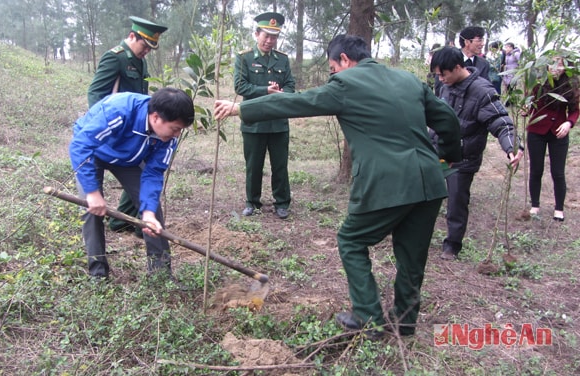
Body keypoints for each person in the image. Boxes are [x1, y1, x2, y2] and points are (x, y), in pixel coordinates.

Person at [215, 34, 462, 337]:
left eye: (333, 68)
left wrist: (240, 108)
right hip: (429, 183)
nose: (333, 75)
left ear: (344, 60)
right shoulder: (408, 79)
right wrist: (447, 156)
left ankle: (369, 318)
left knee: (351, 240)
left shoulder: (346, 84)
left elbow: (295, 102)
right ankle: (405, 321)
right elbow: (448, 119)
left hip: (386, 182)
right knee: (412, 255)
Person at [70, 88, 195, 279]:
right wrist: (93, 192)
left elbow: (153, 172)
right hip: (93, 153)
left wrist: (148, 213)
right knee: (91, 211)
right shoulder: (119, 111)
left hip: (128, 160)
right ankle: (98, 274)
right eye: (175, 128)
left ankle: (160, 274)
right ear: (155, 118)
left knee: (153, 215)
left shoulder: (167, 138)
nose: (177, 135)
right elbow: (80, 145)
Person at [430, 46, 524, 260]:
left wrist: (511, 146)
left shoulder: (482, 91)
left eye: (443, 74)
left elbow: (500, 121)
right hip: (440, 153)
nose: (441, 79)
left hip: (462, 159)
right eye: (437, 75)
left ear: (457, 67)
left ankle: (452, 245)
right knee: (427, 192)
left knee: (456, 201)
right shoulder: (444, 86)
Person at [88, 16, 168, 235]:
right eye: (144, 46)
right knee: (95, 191)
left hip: (136, 131)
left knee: (141, 174)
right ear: (132, 36)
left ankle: (124, 220)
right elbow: (96, 93)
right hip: (112, 131)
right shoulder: (115, 58)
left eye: (151, 48)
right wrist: (104, 127)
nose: (147, 52)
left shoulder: (140, 61)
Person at [234, 12, 296, 219]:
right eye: (266, 36)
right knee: (254, 165)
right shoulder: (244, 58)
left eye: (274, 37)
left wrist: (280, 93)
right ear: (256, 34)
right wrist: (265, 91)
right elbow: (240, 86)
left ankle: (282, 203)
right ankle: (252, 202)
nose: (270, 41)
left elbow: (290, 86)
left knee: (280, 165)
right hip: (254, 122)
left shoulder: (283, 60)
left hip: (278, 122)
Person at [524, 55, 579, 221]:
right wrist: (525, 109)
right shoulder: (538, 83)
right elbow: (529, 104)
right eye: (553, 64)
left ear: (566, 68)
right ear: (546, 66)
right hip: (536, 131)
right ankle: (535, 205)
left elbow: (575, 110)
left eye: (560, 65)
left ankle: (559, 209)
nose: (556, 68)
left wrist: (569, 123)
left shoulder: (571, 86)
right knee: (536, 170)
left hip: (559, 132)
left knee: (558, 172)